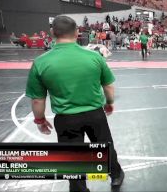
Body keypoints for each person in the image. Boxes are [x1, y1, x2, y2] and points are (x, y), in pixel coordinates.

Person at [25, 16, 124, 192]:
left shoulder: (40, 62)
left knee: (73, 159)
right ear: (78, 32)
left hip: (66, 119)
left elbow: (38, 99)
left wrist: (40, 120)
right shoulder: (94, 57)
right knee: (105, 148)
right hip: (95, 114)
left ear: (52, 33)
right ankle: (115, 176)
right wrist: (109, 104)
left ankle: (79, 189)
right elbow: (108, 86)